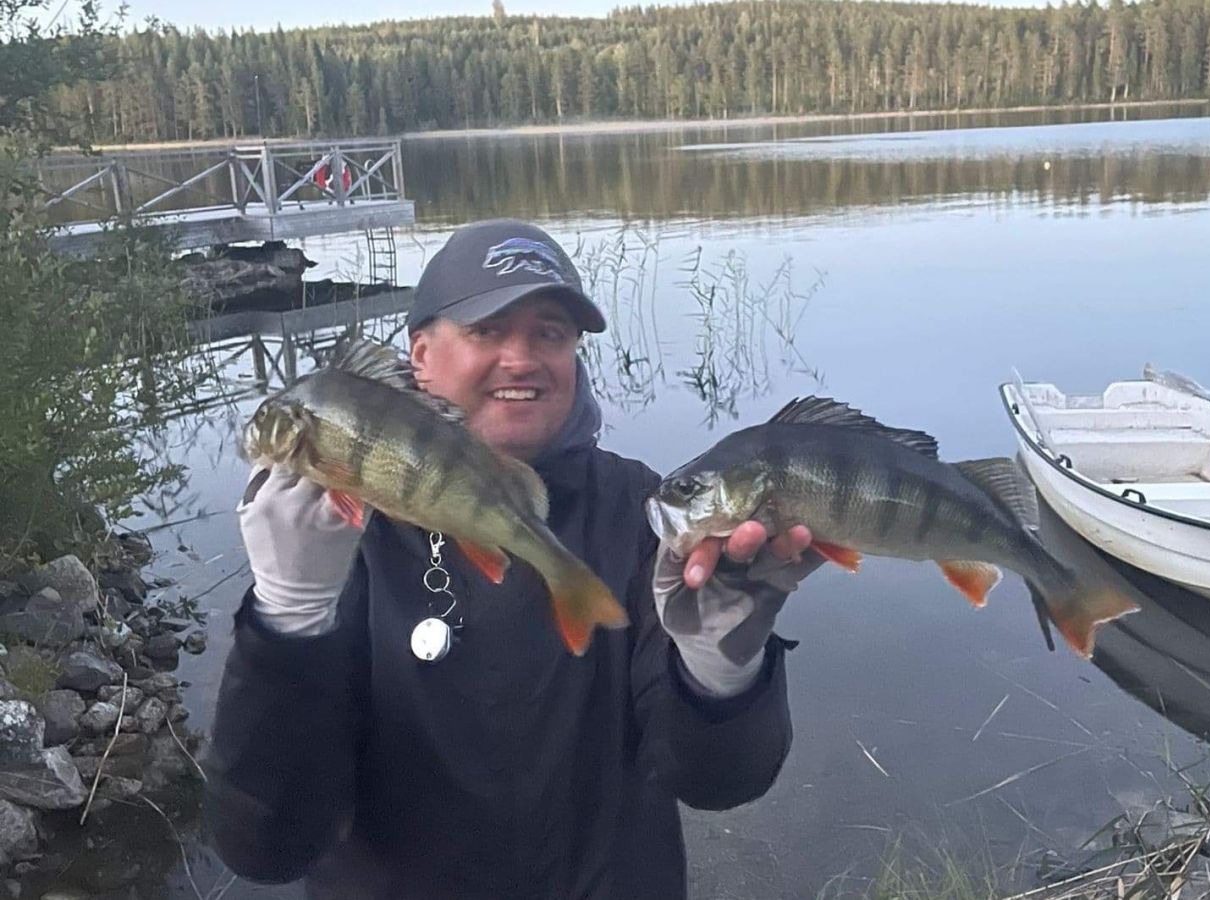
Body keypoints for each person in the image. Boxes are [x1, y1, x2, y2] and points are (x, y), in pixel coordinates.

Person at [204, 219, 823, 900]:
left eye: (550, 333)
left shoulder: (648, 515)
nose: (522, 358)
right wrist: (286, 626)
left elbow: (717, 785)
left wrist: (724, 675)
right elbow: (267, 846)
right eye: (487, 331)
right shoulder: (330, 535)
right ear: (421, 355)